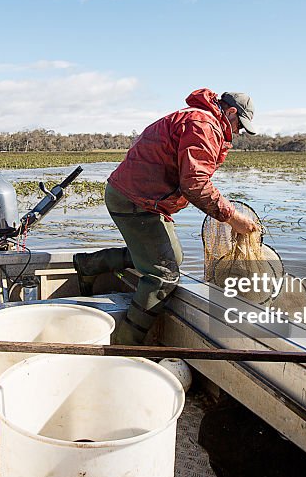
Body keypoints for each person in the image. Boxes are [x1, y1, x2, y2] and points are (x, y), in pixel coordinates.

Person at [73, 89, 260, 345]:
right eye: (240, 125)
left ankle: (88, 265)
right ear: (230, 112)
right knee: (164, 275)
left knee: (174, 257)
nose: (238, 132)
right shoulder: (203, 124)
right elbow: (195, 183)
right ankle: (125, 345)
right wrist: (232, 217)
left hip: (143, 198)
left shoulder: (200, 118)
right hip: (135, 200)